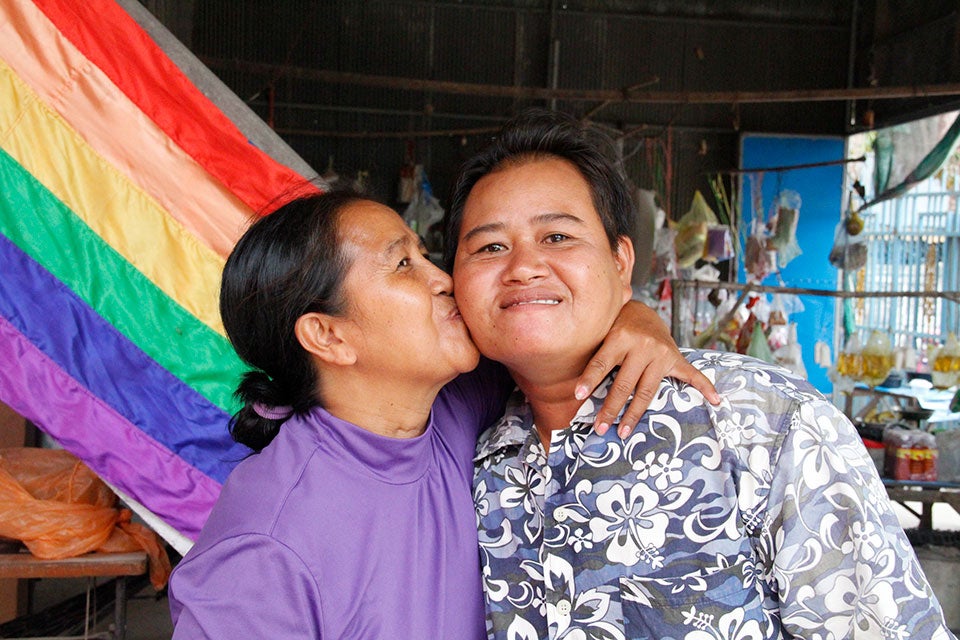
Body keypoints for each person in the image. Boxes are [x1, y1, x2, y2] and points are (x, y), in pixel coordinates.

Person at [446, 109, 955, 639]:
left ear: (621, 262)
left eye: (556, 237)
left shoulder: (758, 421)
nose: (523, 266)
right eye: (490, 247)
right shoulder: (480, 461)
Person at [167, 188, 718, 639]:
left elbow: (553, 328)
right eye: (403, 264)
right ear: (328, 335)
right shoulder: (263, 554)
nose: (443, 279)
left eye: (425, 255)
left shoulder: (453, 404)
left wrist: (636, 316)